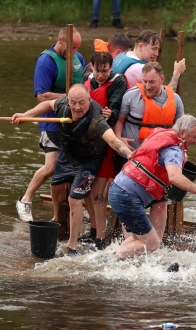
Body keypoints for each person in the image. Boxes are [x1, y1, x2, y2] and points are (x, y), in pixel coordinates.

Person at [11, 84, 133, 255]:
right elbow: (47, 105)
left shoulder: (96, 119)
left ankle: (72, 246)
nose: (77, 108)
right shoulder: (62, 105)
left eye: (81, 103)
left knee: (74, 199)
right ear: (67, 101)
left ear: (89, 101)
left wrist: (129, 154)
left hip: (89, 161)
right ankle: (56, 218)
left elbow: (112, 140)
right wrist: (26, 115)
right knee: (55, 187)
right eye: (73, 103)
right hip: (67, 155)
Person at [108, 114, 196, 260]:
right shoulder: (173, 150)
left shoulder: (161, 134)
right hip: (127, 196)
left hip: (117, 189)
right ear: (182, 133)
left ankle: (109, 259)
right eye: (194, 137)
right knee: (152, 244)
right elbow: (174, 177)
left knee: (139, 239)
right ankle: (114, 261)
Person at [15, 27, 85, 222]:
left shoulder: (79, 59)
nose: (74, 53)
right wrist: (71, 98)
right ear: (61, 40)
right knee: (52, 167)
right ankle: (25, 199)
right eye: (71, 48)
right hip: (52, 123)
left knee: (71, 168)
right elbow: (42, 96)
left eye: (77, 48)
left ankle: (61, 215)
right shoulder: (46, 61)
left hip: (73, 124)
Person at [113, 61, 184, 240]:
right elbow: (119, 120)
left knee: (159, 202)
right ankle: (130, 241)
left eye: (151, 82)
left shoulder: (174, 100)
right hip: (132, 157)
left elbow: (181, 131)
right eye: (144, 81)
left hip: (157, 162)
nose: (147, 86)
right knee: (130, 199)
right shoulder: (131, 96)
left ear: (162, 80)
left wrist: (181, 154)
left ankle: (155, 244)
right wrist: (118, 138)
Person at [79, 51, 127, 250]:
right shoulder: (85, 80)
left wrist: (110, 113)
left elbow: (115, 108)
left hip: (105, 142)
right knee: (84, 191)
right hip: (86, 142)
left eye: (105, 71)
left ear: (111, 68)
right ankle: (93, 229)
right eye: (98, 71)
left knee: (98, 192)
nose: (101, 75)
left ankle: (100, 239)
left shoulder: (118, 82)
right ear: (91, 66)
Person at [112, 30, 186, 91]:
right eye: (154, 49)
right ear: (141, 46)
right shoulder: (140, 69)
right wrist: (177, 73)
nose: (156, 54)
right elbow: (166, 95)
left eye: (158, 50)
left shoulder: (122, 55)